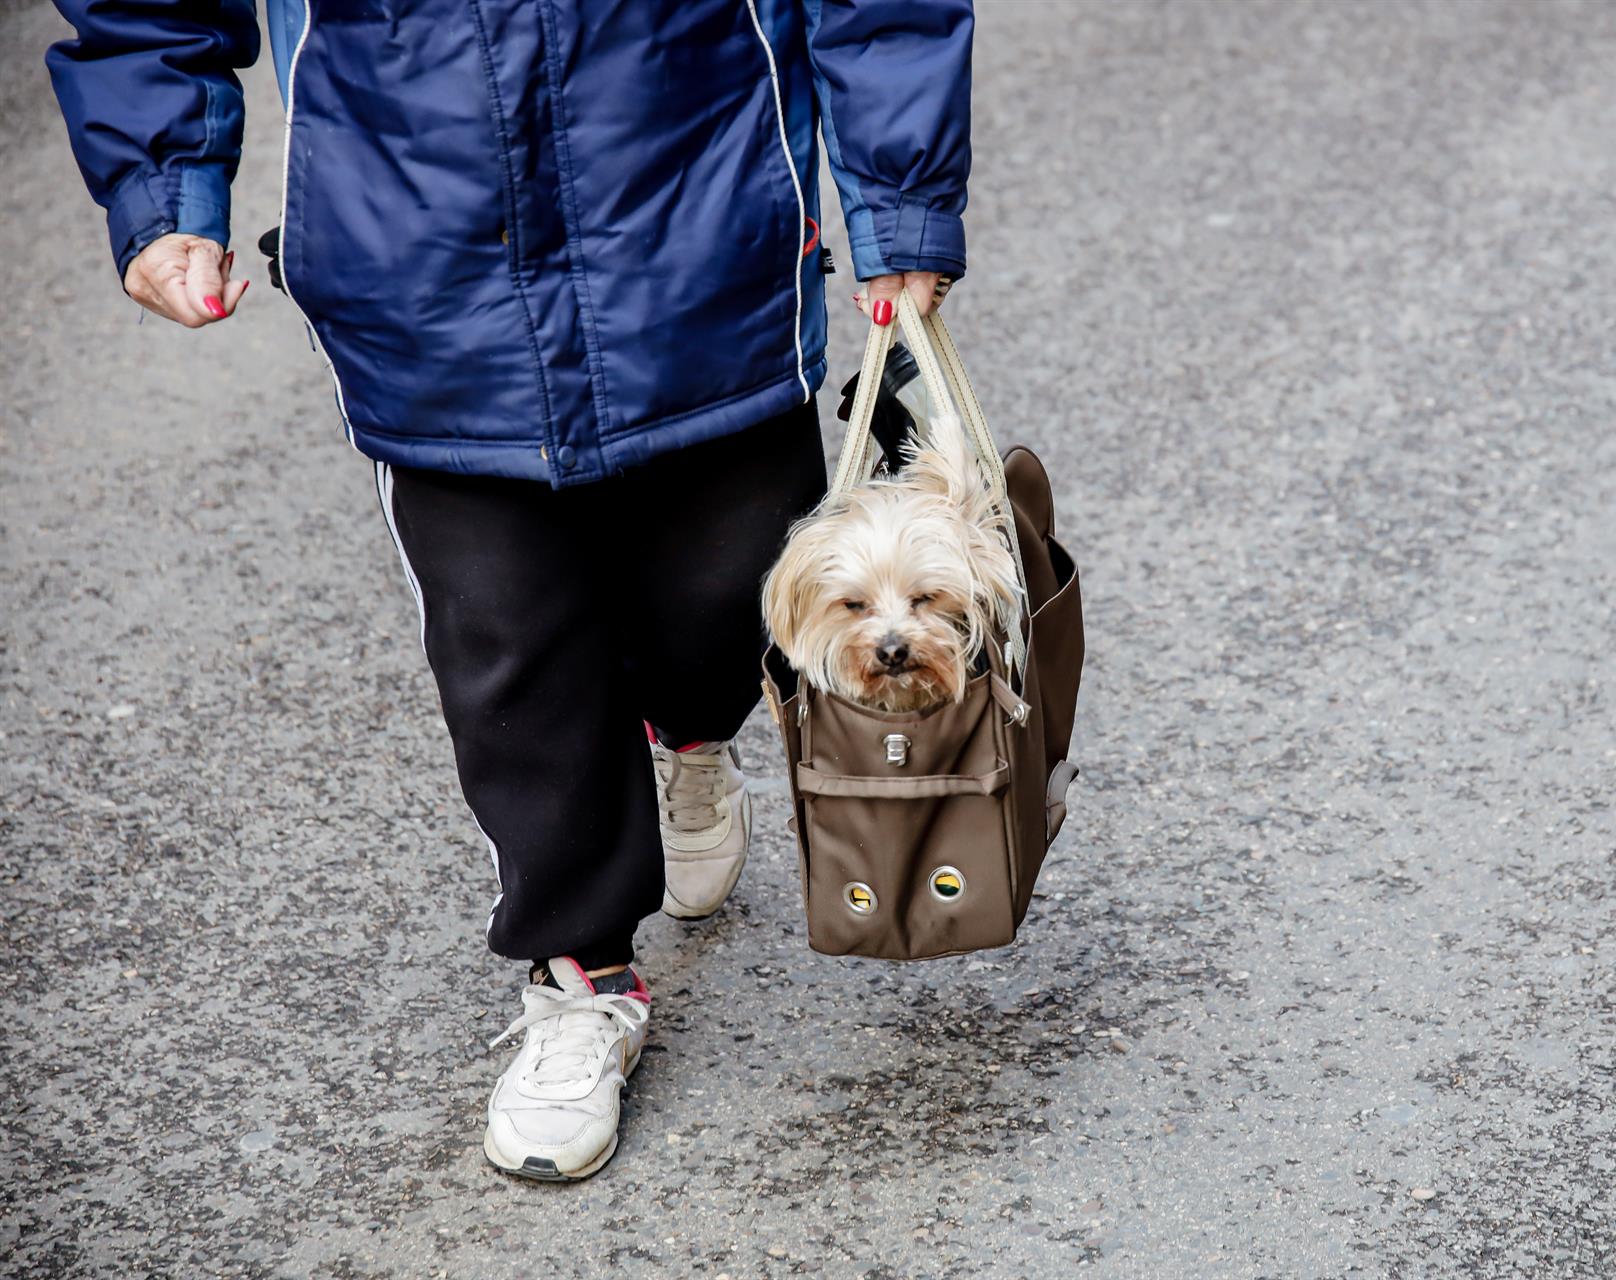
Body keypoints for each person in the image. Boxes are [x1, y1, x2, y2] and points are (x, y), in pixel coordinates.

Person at [47, 0, 972, 1182]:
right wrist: (167, 180)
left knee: (737, 597)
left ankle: (689, 731)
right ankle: (579, 972)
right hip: (418, 254)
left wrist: (898, 197)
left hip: (704, 217)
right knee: (510, 650)